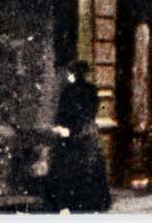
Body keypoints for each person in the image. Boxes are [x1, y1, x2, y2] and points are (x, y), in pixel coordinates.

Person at [46, 60, 112, 213]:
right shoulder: (92, 89)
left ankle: (70, 202)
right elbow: (94, 110)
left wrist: (59, 126)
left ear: (73, 74)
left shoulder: (68, 91)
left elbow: (62, 113)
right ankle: (94, 202)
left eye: (70, 73)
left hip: (71, 133)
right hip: (88, 132)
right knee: (91, 166)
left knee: (67, 167)